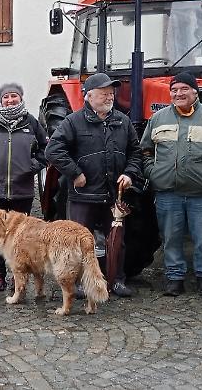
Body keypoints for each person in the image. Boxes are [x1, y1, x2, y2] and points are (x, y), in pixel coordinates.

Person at [140, 72, 202, 297]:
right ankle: (174, 279)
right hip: (168, 193)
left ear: (195, 91)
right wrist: (153, 173)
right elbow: (145, 151)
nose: (178, 93)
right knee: (170, 238)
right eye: (174, 90)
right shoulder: (158, 118)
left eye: (184, 89)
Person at [45, 73, 138, 297]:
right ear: (88, 96)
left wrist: (129, 173)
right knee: (75, 241)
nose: (109, 97)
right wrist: (75, 173)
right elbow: (53, 150)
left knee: (116, 241)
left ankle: (116, 280)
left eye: (111, 94)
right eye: (104, 94)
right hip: (83, 195)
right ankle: (74, 284)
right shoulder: (73, 121)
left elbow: (135, 152)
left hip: (113, 195)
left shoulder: (122, 121)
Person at [0, 82, 49, 293]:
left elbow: (46, 150)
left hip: (21, 190)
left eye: (13, 96)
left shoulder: (31, 122)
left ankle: (19, 275)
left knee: (21, 237)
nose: (10, 100)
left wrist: (31, 167)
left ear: (20, 98)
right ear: (0, 99)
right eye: (6, 97)